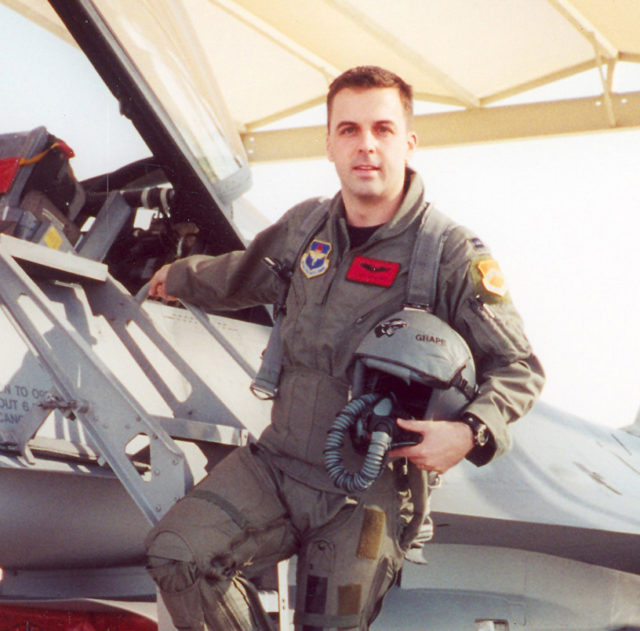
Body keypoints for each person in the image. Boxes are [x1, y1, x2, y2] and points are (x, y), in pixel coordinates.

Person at [145, 66, 545, 631]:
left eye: (383, 129)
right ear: (329, 143)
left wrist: (470, 432)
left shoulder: (450, 252)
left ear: (408, 142)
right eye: (349, 130)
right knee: (178, 553)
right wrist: (177, 277)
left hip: (367, 492)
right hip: (278, 465)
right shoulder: (306, 227)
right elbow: (240, 274)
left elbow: (519, 368)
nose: (366, 146)